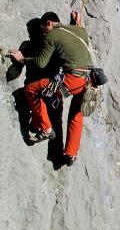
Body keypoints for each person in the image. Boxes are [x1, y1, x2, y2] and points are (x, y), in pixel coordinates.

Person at [9, 11, 93, 166]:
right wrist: (76, 22)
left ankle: (46, 127)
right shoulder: (79, 30)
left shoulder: (52, 35)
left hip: (72, 79)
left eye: (43, 29)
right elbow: (74, 38)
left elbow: (41, 62)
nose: (43, 33)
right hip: (89, 80)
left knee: (31, 90)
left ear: (49, 23)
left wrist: (22, 60)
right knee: (76, 114)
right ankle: (71, 153)